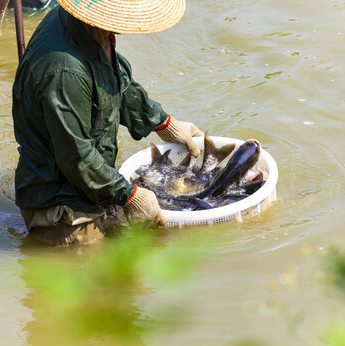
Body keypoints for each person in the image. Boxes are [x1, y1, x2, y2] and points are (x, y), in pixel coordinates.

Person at [12, 0, 203, 246]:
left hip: (90, 184)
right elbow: (76, 156)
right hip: (64, 206)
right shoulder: (64, 72)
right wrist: (130, 195)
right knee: (95, 279)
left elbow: (111, 82)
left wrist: (164, 123)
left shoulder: (86, 26)